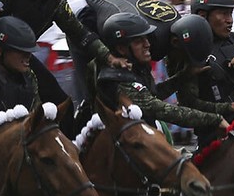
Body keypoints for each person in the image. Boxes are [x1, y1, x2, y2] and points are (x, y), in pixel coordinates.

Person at [92, 11, 226, 135]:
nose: (147, 44)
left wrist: (185, 75)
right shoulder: (119, 79)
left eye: (146, 38)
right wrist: (215, 119)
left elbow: (153, 93)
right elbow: (158, 108)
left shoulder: (135, 68)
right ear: (121, 49)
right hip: (129, 146)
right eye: (139, 41)